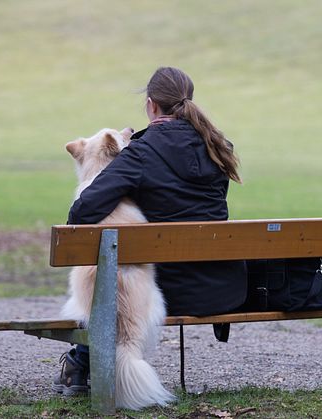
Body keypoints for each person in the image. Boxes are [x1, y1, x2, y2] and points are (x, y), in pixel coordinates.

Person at [53, 67, 248, 395]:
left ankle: (82, 362)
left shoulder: (140, 152)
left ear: (151, 105)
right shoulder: (218, 146)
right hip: (219, 285)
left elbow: (82, 213)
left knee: (117, 274)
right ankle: (85, 360)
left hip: (164, 288)